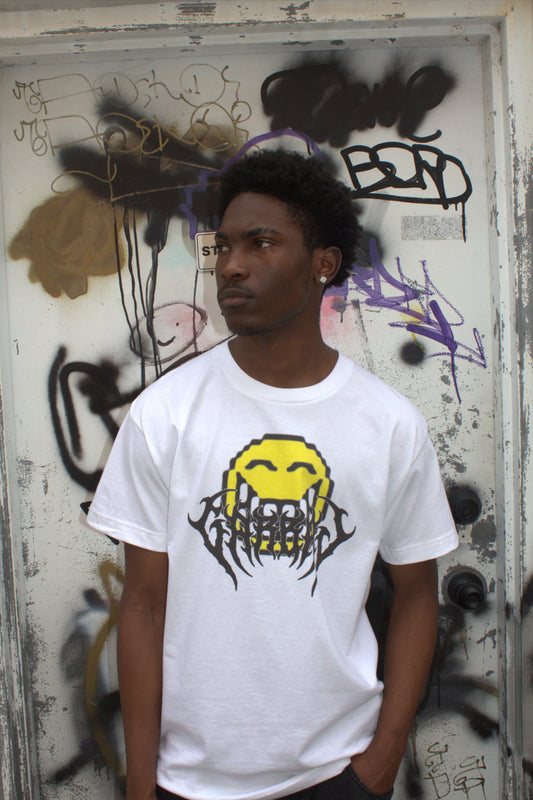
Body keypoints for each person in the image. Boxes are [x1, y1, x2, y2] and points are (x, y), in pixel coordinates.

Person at [87, 150, 458, 800]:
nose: (231, 265)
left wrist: (384, 755)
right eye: (224, 246)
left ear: (323, 263)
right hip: (188, 779)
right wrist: (141, 784)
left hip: (336, 774)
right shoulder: (165, 415)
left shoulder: (387, 425)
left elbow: (416, 594)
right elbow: (142, 605)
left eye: (261, 243)